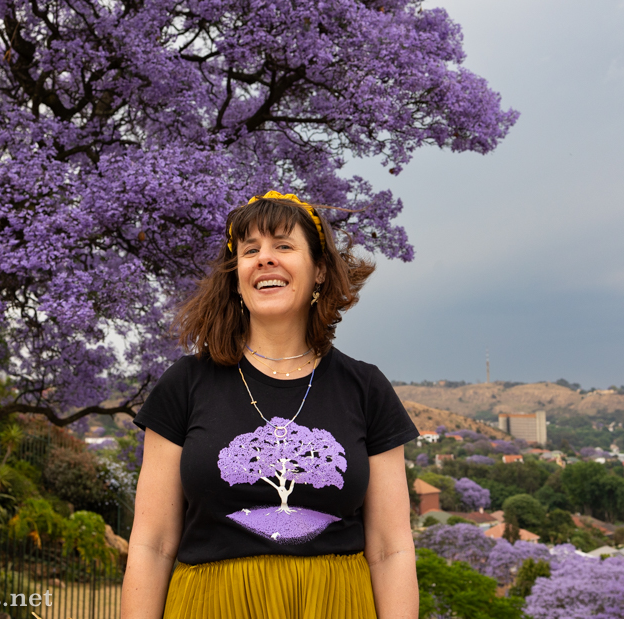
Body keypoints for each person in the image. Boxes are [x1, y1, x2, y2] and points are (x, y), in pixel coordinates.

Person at [122, 191, 420, 619]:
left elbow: (391, 549)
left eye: (283, 245)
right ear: (236, 275)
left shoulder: (365, 388)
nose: (265, 259)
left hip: (335, 607)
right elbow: (153, 544)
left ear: (319, 270)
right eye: (250, 251)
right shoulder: (185, 384)